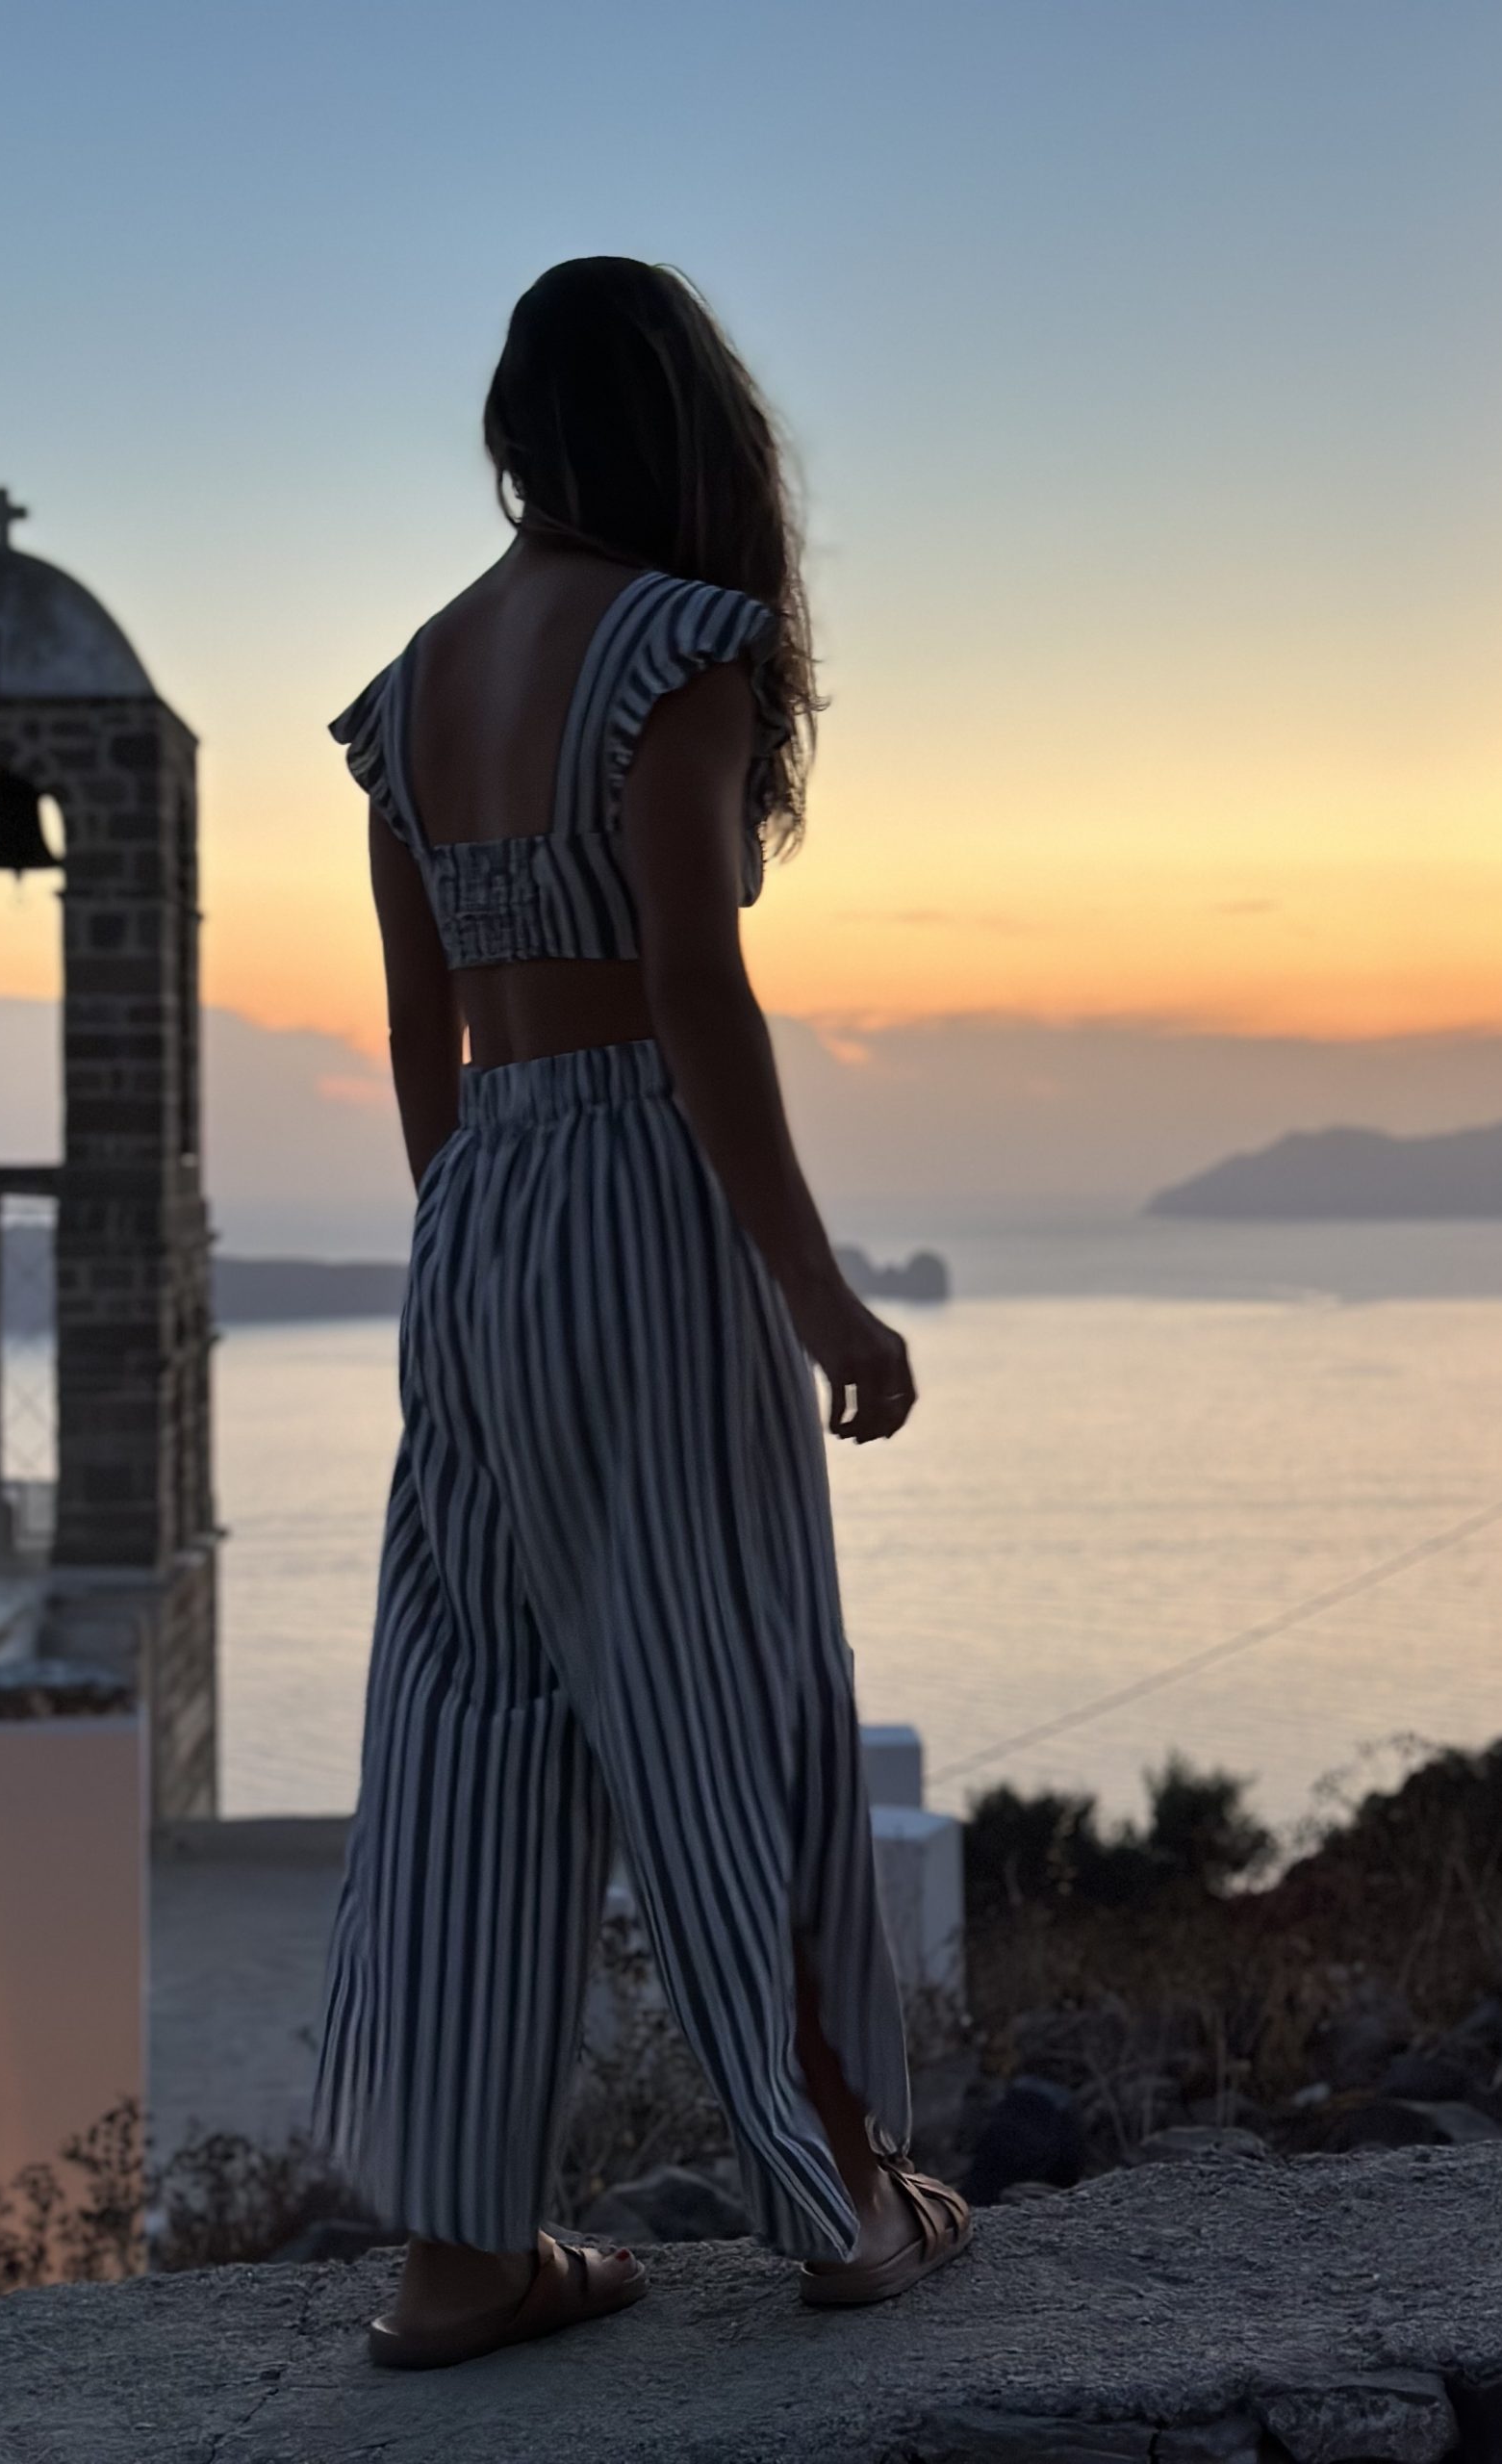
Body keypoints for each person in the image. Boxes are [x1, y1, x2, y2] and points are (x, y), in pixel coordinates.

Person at [316, 256, 970, 2372]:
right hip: (642, 1190)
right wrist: (824, 1294)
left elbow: (420, 1029)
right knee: (729, 1681)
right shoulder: (683, 641)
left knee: (469, 1713)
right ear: (686, 429)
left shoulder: (411, 685)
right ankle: (844, 2190)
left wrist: (473, 1253)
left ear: (519, 432)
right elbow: (695, 987)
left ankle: (457, 2252)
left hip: (479, 1212)